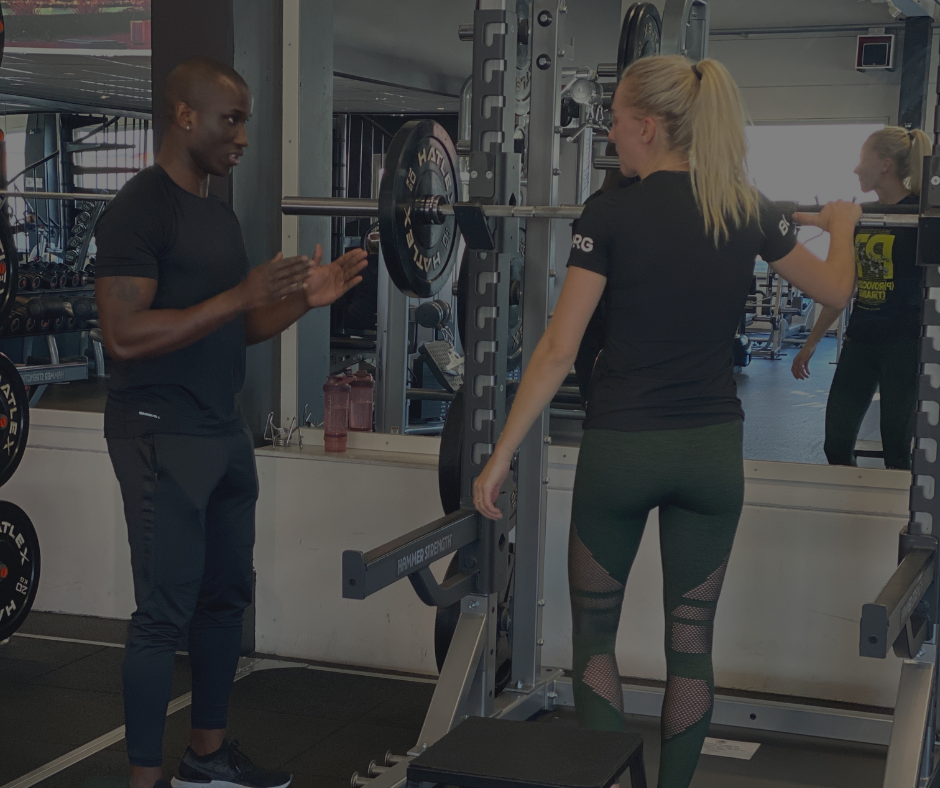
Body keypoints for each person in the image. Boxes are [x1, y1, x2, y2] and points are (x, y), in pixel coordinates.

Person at [473, 55, 860, 788]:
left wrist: (499, 458)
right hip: (711, 458)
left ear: (647, 127)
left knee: (594, 642)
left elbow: (558, 350)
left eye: (615, 118)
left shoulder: (609, 213)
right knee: (692, 649)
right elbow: (837, 286)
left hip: (623, 452)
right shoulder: (745, 206)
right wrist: (840, 224)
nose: (609, 130)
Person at [94, 58, 367, 788]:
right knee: (163, 612)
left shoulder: (218, 213)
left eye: (246, 121)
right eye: (231, 119)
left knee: (224, 599)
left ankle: (206, 757)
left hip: (221, 429)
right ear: (185, 116)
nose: (242, 136)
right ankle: (144, 780)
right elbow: (122, 335)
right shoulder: (138, 208)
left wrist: (306, 302)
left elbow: (233, 328)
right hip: (158, 428)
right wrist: (238, 294)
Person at [791, 126, 930, 470]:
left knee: (898, 449)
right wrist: (810, 343)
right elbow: (843, 288)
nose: (855, 169)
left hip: (904, 344)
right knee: (836, 445)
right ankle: (850, 506)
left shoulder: (922, 214)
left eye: (861, 160)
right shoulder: (858, 215)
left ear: (884, 164)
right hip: (860, 340)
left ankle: (901, 519)